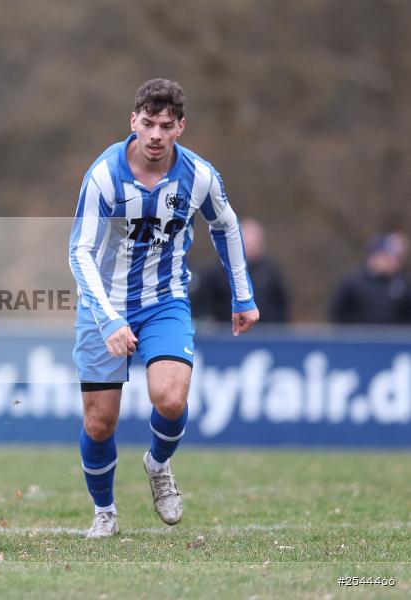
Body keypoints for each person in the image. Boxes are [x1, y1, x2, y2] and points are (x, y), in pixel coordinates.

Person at [68, 78, 259, 538]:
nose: (155, 134)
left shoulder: (199, 176)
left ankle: (158, 464)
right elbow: (80, 252)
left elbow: (226, 227)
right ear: (133, 121)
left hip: (165, 301)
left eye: (165, 126)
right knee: (99, 422)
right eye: (148, 124)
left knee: (171, 398)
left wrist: (243, 295)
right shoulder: (103, 176)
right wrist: (109, 317)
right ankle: (105, 511)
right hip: (104, 307)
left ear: (180, 128)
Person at [192, 218, 290, 323]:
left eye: (255, 240)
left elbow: (282, 305)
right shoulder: (217, 271)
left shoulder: (271, 272)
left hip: (265, 334)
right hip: (227, 334)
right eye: (248, 239)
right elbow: (203, 304)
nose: (252, 245)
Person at [330, 232, 411, 324]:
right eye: (389, 257)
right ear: (376, 256)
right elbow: (338, 311)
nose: (395, 262)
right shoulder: (353, 282)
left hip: (393, 337)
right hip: (359, 337)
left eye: (397, 258)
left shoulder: (402, 283)